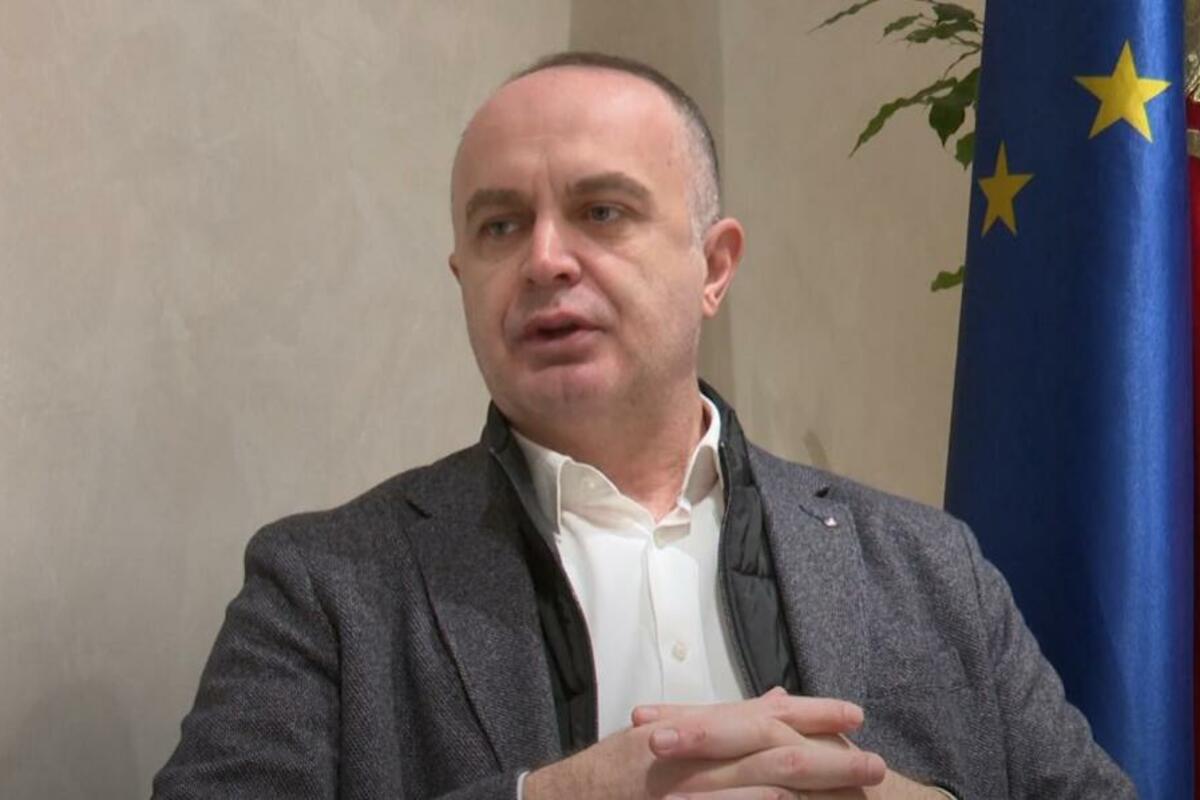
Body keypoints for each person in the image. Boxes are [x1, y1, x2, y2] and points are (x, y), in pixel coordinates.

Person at [152, 52, 1134, 799]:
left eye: (602, 211)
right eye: (500, 226)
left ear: (714, 267)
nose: (545, 259)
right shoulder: (326, 586)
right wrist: (553, 798)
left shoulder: (930, 568)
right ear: (464, 278)